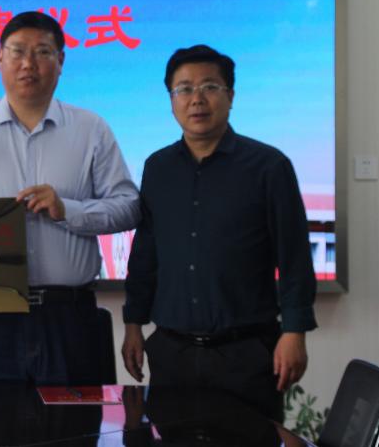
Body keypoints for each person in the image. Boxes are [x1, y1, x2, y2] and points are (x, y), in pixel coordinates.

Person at [0, 11, 140, 384]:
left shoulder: (90, 128)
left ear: (60, 61)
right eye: (18, 51)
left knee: (74, 420)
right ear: (0, 58)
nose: (28, 63)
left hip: (70, 318)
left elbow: (128, 206)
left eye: (42, 52)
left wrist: (67, 210)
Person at [122, 44, 317, 421]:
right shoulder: (158, 168)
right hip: (172, 353)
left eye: (210, 87)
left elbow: (293, 258)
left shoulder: (269, 167)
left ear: (230, 96)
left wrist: (294, 332)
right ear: (171, 100)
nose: (196, 99)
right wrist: (133, 324)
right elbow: (146, 255)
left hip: (246, 354)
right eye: (184, 89)